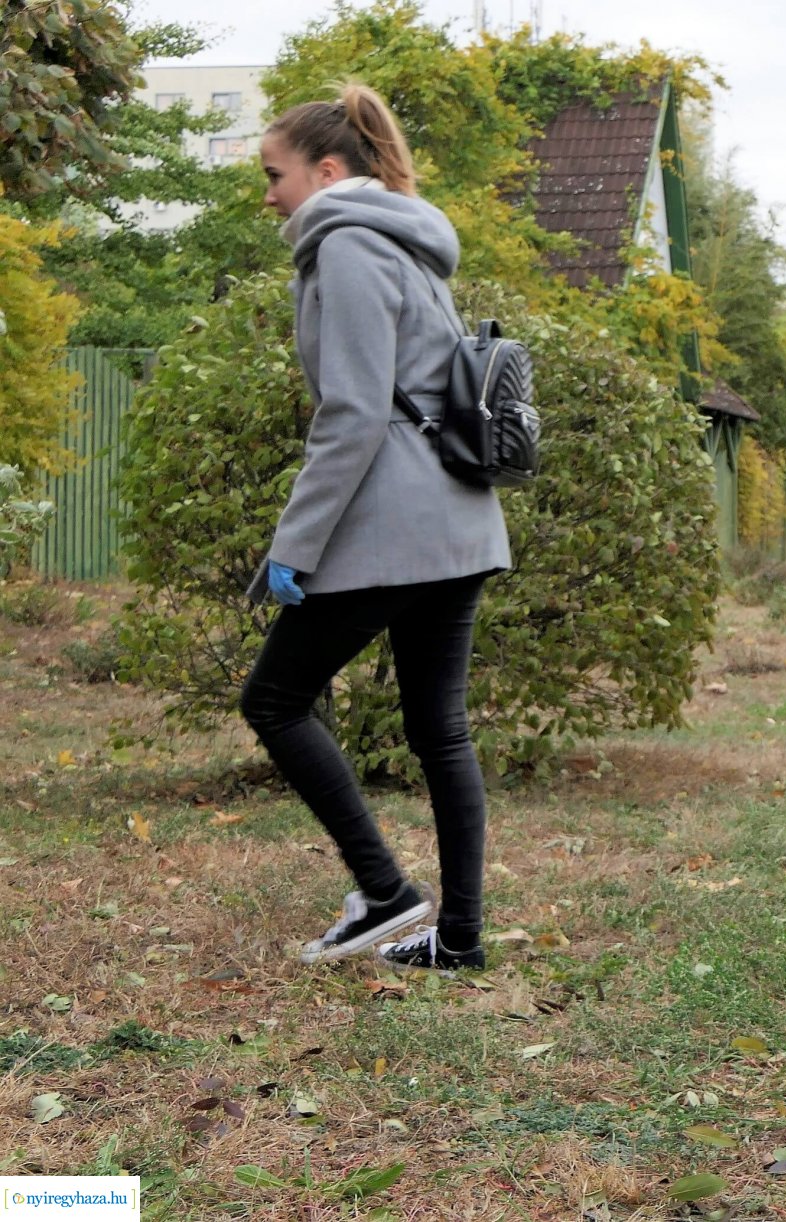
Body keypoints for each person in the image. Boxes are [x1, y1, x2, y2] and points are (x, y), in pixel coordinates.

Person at [239, 84, 510, 974]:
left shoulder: (348, 247)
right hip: (459, 522)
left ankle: (386, 893)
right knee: (441, 730)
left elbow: (353, 415)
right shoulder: (411, 247)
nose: (268, 194)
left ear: (327, 170)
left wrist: (292, 547)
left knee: (274, 700)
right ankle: (459, 939)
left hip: (396, 525)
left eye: (274, 174)